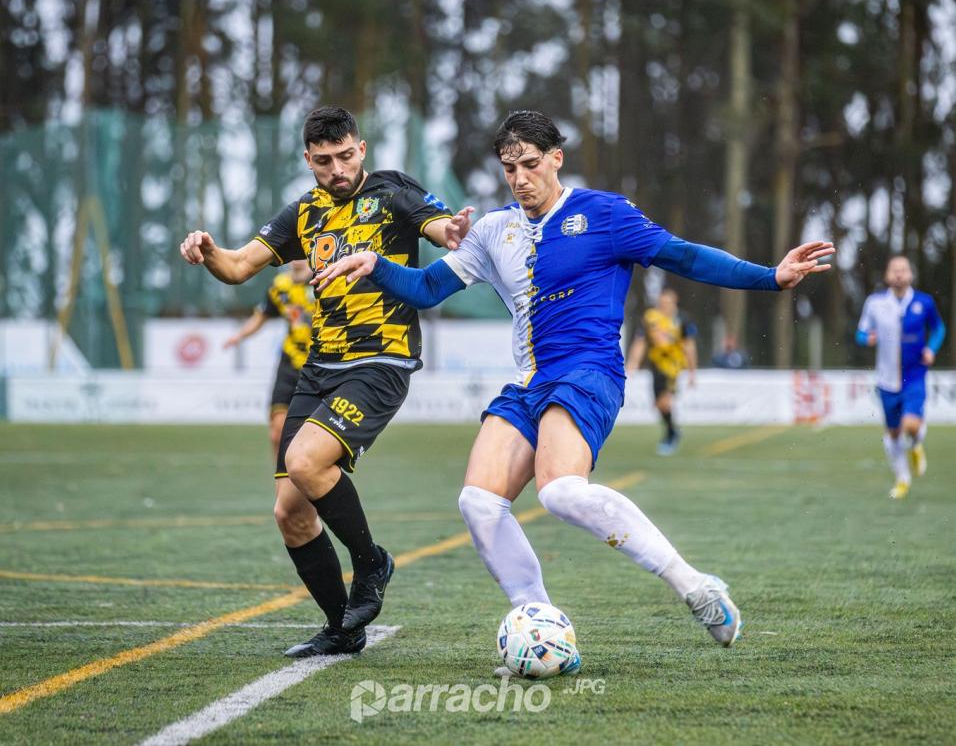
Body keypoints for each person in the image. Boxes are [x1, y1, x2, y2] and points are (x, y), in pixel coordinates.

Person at [317, 110, 834, 667]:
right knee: (479, 502)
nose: (519, 178)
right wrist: (374, 264)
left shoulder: (603, 213)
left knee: (561, 491)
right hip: (529, 381)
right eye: (509, 167)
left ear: (556, 159)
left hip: (589, 372)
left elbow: (682, 255)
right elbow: (424, 289)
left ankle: (694, 585)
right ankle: (540, 624)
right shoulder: (493, 230)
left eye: (531, 164)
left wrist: (770, 276)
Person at [180, 106, 456, 657]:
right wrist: (209, 252)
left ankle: (372, 563)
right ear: (308, 160)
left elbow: (440, 226)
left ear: (363, 149)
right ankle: (342, 628)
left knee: (307, 462)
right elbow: (238, 267)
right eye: (324, 160)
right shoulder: (304, 213)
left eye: (346, 155)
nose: (337, 168)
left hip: (381, 361)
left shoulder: (391, 192)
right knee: (290, 512)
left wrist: (455, 229)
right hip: (319, 367)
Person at [856, 255, 946, 499]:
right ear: (886, 275)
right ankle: (902, 479)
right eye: (894, 270)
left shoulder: (923, 302)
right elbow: (860, 333)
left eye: (903, 270)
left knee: (911, 424)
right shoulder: (875, 303)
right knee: (894, 434)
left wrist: (931, 349)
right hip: (886, 379)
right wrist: (868, 339)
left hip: (915, 375)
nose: (898, 274)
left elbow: (939, 328)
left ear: (910, 275)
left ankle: (916, 444)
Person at [223, 259, 314, 458]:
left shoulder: (323, 282)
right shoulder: (280, 286)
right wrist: (238, 336)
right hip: (289, 363)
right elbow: (261, 316)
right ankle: (282, 483)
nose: (297, 257)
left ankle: (308, 482)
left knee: (311, 438)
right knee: (277, 432)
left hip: (318, 365)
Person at [625, 288, 698, 455]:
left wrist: (692, 372)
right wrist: (633, 363)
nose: (664, 306)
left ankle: (671, 435)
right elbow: (640, 341)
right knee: (658, 404)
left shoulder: (682, 319)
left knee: (665, 401)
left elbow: (689, 346)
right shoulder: (651, 318)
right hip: (656, 365)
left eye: (668, 303)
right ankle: (673, 430)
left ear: (675, 302)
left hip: (673, 367)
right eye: (662, 303)